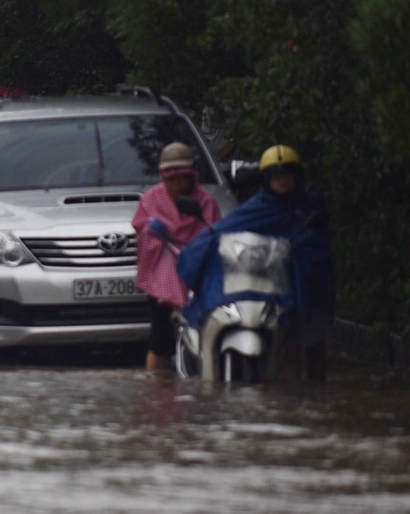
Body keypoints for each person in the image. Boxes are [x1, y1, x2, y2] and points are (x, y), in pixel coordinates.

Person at [179, 144, 335, 381]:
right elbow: (224, 231)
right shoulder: (259, 207)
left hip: (309, 286)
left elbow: (318, 246)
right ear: (266, 179)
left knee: (314, 343)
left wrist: (302, 247)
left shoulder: (310, 206)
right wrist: (201, 246)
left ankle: (315, 390)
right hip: (276, 289)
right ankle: (287, 390)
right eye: (276, 177)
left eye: (287, 176)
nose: (283, 182)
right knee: (287, 347)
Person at [132, 142, 221, 372]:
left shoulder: (205, 201)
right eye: (170, 180)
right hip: (163, 275)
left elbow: (214, 233)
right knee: (160, 340)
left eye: (182, 178)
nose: (177, 185)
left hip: (197, 276)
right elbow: (140, 228)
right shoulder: (151, 200)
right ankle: (156, 391)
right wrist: (151, 232)